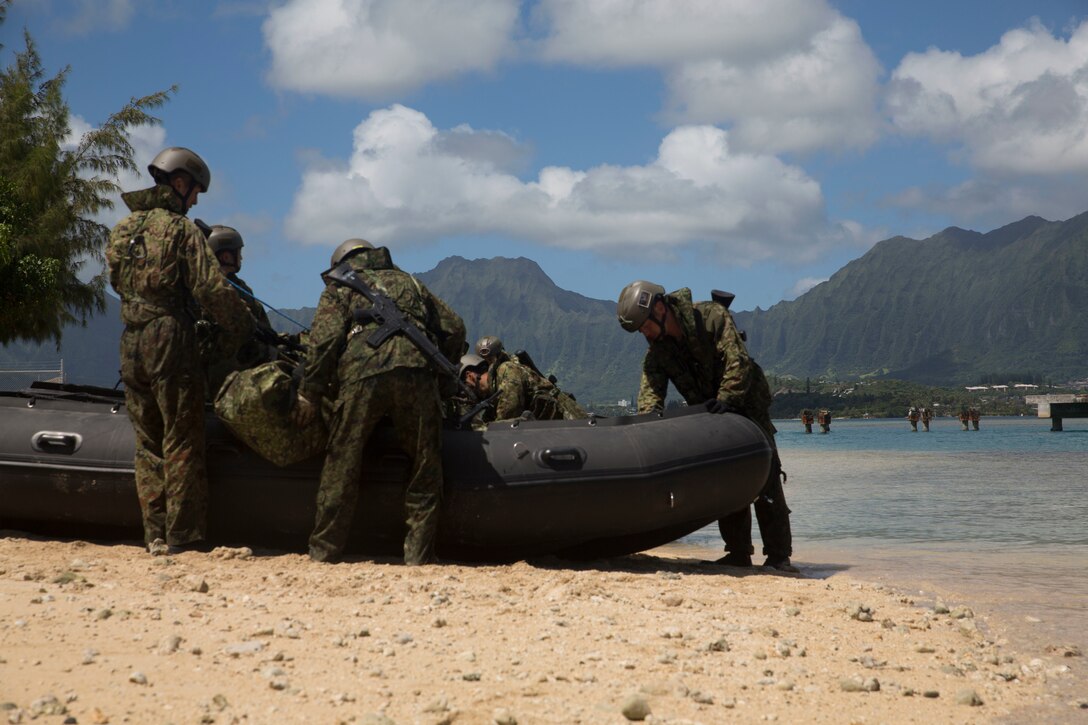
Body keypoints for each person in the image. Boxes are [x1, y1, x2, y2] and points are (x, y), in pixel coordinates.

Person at [106, 147, 253, 556]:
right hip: (169, 337)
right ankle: (184, 537)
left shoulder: (122, 229)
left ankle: (153, 534)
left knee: (148, 442)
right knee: (182, 438)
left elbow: (117, 282)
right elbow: (210, 289)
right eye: (195, 193)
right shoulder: (181, 231)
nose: (196, 202)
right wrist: (243, 325)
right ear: (181, 183)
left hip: (130, 340)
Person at [296, 239, 466, 565]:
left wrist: (310, 393)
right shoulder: (411, 282)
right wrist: (442, 376)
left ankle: (324, 551)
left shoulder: (339, 286)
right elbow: (454, 327)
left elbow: (324, 342)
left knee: (341, 465)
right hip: (418, 371)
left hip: (362, 373)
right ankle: (418, 556)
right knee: (425, 468)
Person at [616, 281, 793, 571]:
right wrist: (647, 430)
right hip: (712, 412)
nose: (644, 335)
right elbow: (650, 396)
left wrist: (727, 398)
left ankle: (779, 556)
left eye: (645, 327)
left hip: (746, 402)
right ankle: (738, 552)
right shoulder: (659, 353)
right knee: (727, 478)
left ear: (660, 309)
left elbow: (738, 361)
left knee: (767, 474)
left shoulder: (711, 317)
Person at [199, 224, 282, 398]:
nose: (241, 258)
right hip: (220, 371)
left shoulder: (242, 289)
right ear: (226, 255)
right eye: (238, 253)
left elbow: (264, 328)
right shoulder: (207, 288)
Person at [473, 336, 588, 421]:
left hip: (570, 421)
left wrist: (490, 428)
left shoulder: (507, 368)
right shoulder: (501, 371)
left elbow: (510, 408)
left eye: (490, 358)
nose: (488, 362)